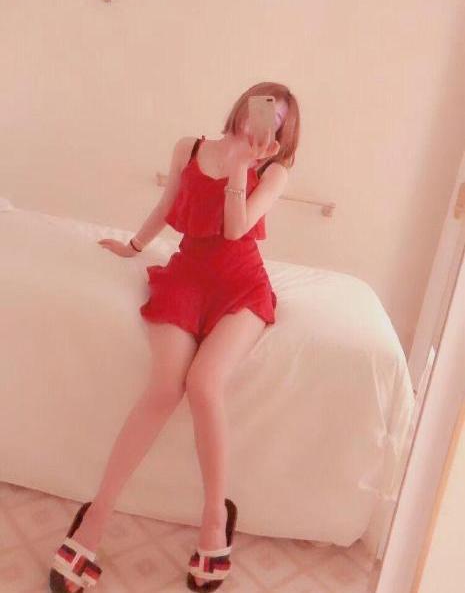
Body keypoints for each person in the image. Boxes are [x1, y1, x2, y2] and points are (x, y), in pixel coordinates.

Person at [49, 81, 300, 592]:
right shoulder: (189, 147)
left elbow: (236, 231)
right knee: (165, 388)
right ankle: (95, 518)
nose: (262, 121)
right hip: (187, 277)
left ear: (283, 132)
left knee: (205, 383)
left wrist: (241, 167)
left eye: (276, 119)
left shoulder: (274, 172)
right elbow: (168, 204)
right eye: (261, 107)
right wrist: (134, 245)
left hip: (241, 286)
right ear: (244, 105)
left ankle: (214, 518)